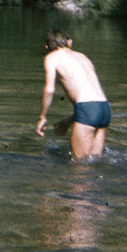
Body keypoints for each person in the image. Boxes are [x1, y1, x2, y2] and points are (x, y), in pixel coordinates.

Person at [35, 29, 111, 159]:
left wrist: (42, 117)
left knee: (79, 165)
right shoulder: (83, 57)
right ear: (69, 42)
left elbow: (49, 90)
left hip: (88, 109)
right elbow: (92, 103)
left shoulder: (51, 58)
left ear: (47, 47)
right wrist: (67, 122)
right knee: (95, 162)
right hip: (105, 109)